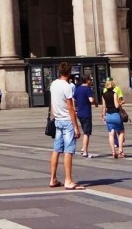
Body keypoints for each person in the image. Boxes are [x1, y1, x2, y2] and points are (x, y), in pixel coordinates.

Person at [48, 61, 84, 190]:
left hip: (58, 120)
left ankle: (53, 179)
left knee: (56, 150)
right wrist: (76, 126)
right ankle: (68, 180)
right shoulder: (67, 86)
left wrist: (55, 114)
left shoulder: (53, 84)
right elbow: (70, 107)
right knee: (69, 151)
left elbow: (53, 102)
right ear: (69, 73)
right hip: (67, 121)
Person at [73, 75, 96, 158]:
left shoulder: (78, 89)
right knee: (87, 133)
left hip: (79, 113)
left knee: (84, 130)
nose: (91, 81)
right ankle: (85, 151)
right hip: (86, 113)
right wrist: (94, 101)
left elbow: (74, 99)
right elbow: (91, 100)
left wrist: (75, 108)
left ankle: (83, 148)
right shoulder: (87, 89)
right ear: (87, 81)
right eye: (90, 80)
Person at [102, 78, 125, 158]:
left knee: (111, 134)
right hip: (116, 114)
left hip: (108, 115)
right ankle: (120, 150)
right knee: (120, 132)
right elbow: (116, 105)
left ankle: (113, 151)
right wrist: (120, 103)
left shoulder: (104, 95)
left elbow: (104, 107)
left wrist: (103, 116)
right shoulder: (114, 93)